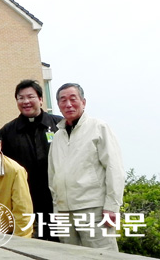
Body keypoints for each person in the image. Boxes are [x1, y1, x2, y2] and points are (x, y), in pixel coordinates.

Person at [48, 83, 125, 251]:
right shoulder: (57, 137)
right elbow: (52, 176)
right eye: (63, 100)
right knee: (71, 256)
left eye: (73, 99)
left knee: (102, 255)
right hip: (63, 213)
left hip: (93, 209)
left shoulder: (98, 128)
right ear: (58, 105)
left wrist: (112, 207)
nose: (68, 104)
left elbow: (114, 168)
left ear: (83, 102)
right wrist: (56, 209)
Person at [0, 80, 62, 240]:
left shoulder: (59, 125)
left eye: (30, 97)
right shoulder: (7, 131)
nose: (25, 101)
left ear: (41, 99)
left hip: (59, 203)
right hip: (27, 204)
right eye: (20, 98)